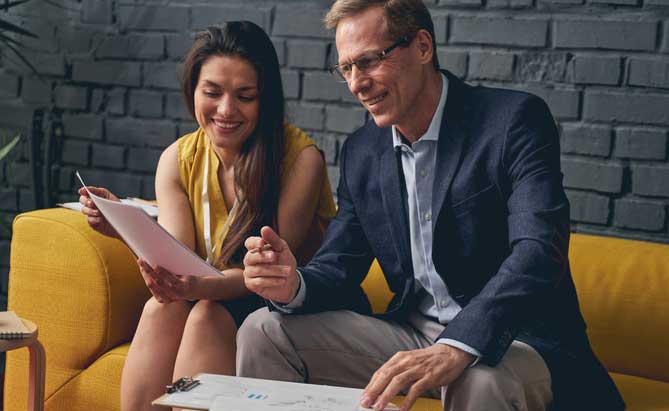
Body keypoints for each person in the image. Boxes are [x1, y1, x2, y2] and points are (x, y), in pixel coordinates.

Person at [236, 1, 625, 411]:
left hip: (519, 338)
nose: (356, 84)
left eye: (368, 61)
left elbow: (538, 251)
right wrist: (291, 284)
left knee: (476, 379)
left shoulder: (512, 121)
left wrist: (461, 343)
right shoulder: (361, 152)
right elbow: (338, 265)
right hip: (412, 332)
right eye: (346, 69)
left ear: (423, 47)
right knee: (263, 331)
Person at [78, 21, 336, 411]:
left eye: (245, 96)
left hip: (284, 300)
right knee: (161, 308)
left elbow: (269, 278)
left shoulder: (300, 160)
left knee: (205, 318)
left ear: (265, 98)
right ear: (192, 92)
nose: (226, 110)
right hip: (210, 293)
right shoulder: (178, 158)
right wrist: (124, 226)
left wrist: (195, 288)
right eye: (212, 93)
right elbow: (177, 253)